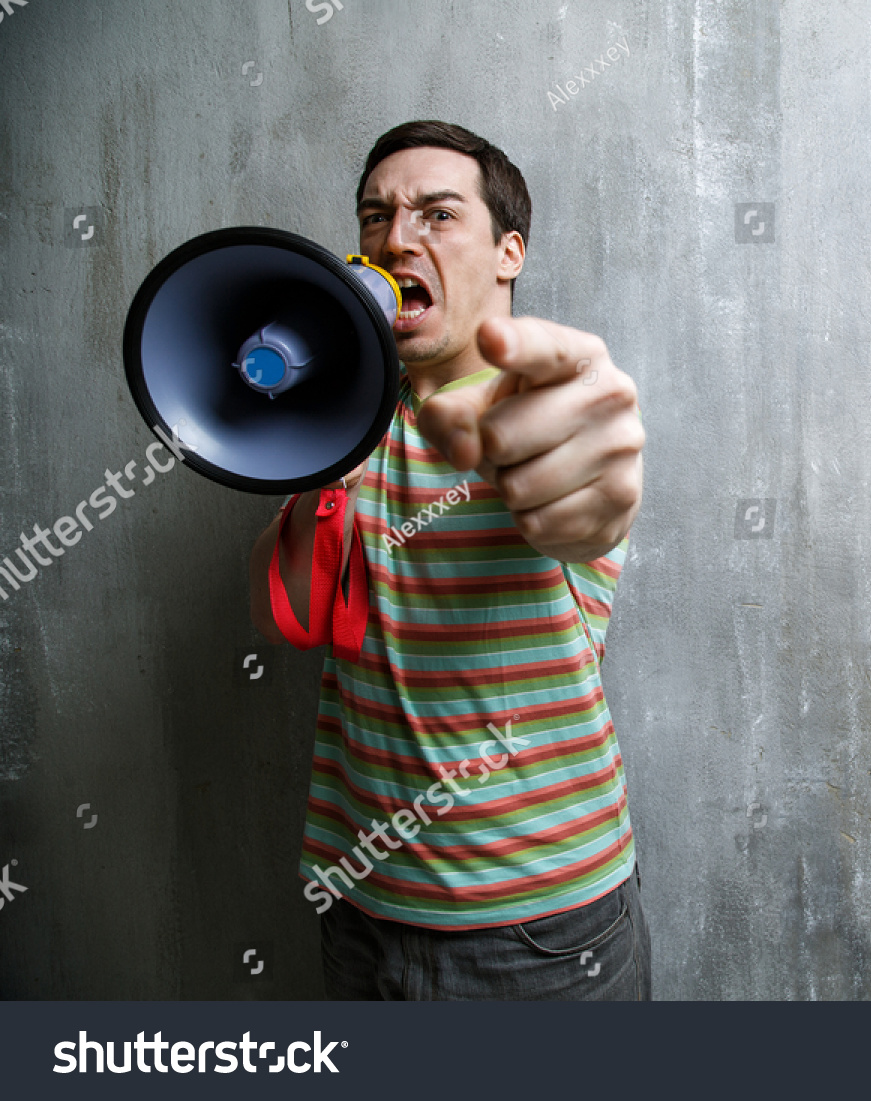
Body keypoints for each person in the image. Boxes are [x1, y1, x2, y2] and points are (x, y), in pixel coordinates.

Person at [247, 119, 649, 1000]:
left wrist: (591, 463)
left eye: (436, 214)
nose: (396, 238)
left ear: (509, 252)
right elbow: (288, 609)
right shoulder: (341, 425)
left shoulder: (535, 413)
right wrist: (324, 466)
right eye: (375, 217)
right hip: (362, 904)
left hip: (537, 931)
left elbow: (586, 502)